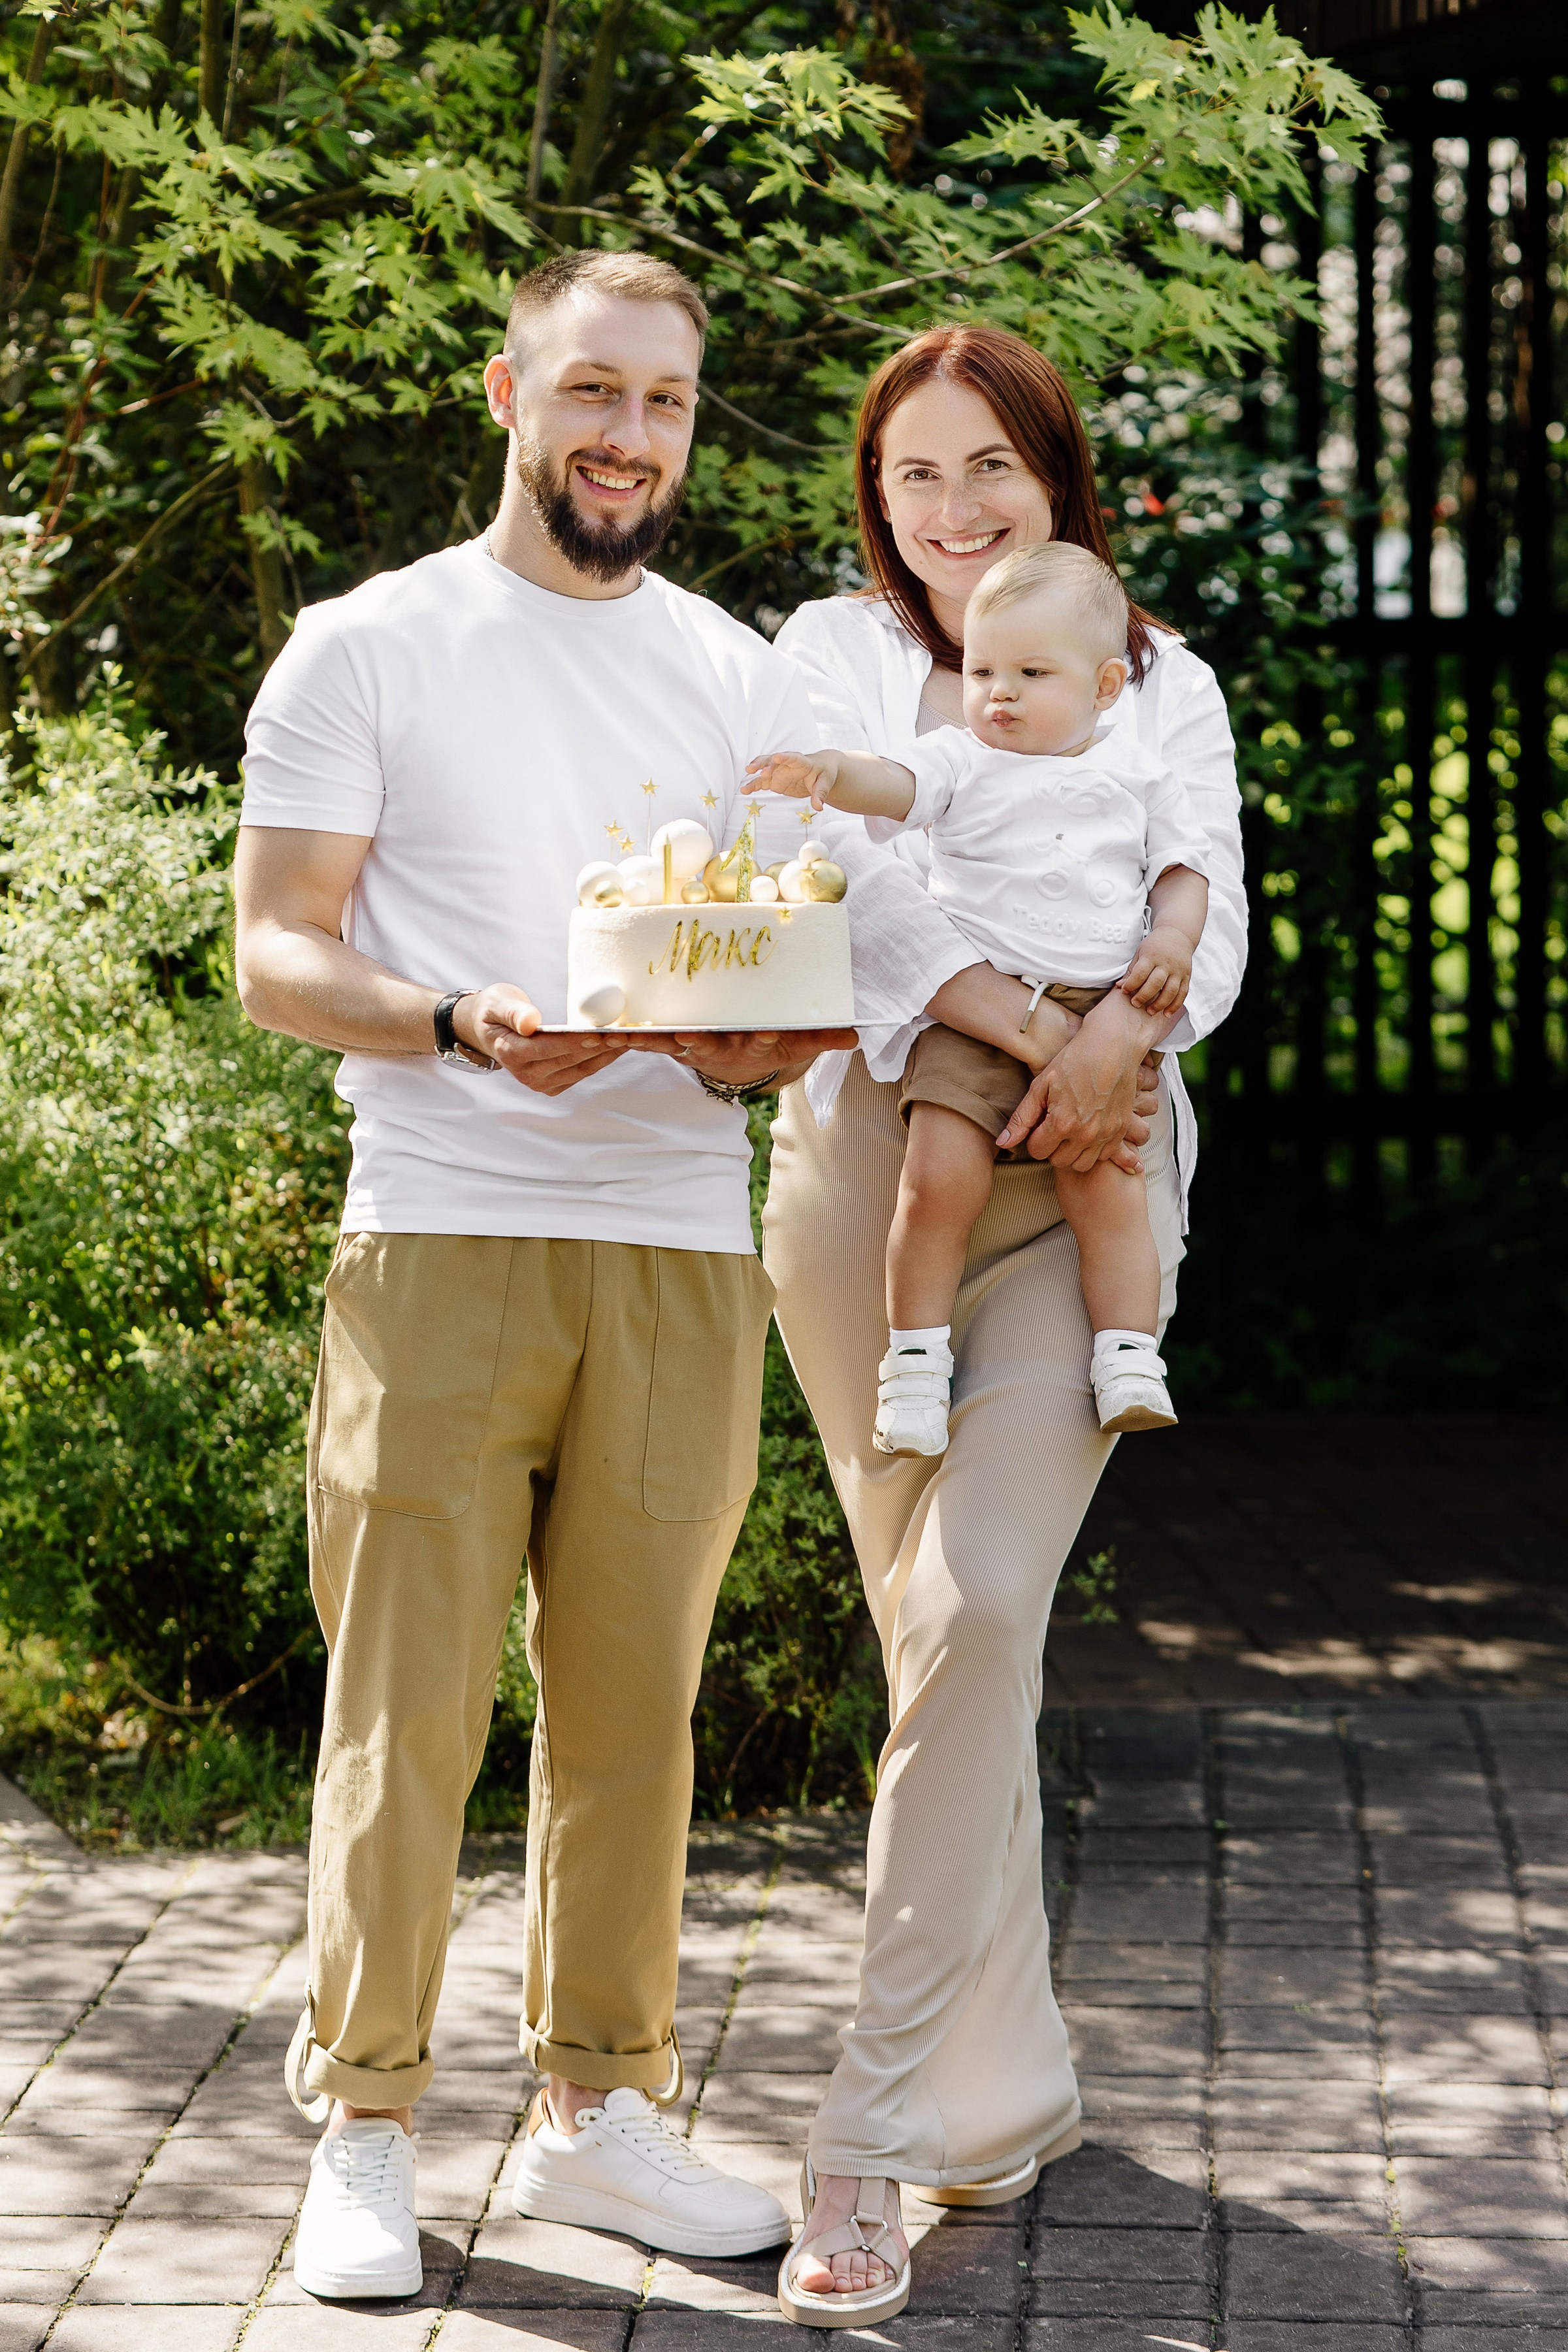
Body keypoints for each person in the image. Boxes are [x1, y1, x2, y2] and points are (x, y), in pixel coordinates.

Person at [232, 246, 853, 2303]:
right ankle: (370, 2126)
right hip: (441, 1227)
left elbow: (783, 948)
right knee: (402, 1707)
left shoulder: (745, 677)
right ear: (511, 390)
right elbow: (277, 950)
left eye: (664, 404)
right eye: (594, 391)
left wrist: (770, 1040)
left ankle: (597, 2114)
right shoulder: (369, 644)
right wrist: (460, 1023)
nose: (626, 436)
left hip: (678, 1242)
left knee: (634, 1715)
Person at [759, 324, 1247, 2325]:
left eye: (990, 472)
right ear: (874, 507)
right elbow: (854, 893)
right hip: (875, 1186)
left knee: (970, 1618)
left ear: (1057, 475)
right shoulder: (834, 656)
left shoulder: (1157, 670)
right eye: (913, 481)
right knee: (944, 1645)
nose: (952, 514)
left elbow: (1212, 913)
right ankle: (1008, 2085)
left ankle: (864, 2138)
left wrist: (1121, 1034)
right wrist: (1052, 1024)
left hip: (1099, 1178)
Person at [746, 541, 1211, 1456]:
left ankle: (1127, 1357)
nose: (998, 692)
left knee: (1106, 1192)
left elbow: (1187, 872)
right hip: (972, 1015)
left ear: (1106, 686)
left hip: (1091, 1005)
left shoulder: (1140, 772)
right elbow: (899, 786)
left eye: (1032, 674)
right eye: (984, 669)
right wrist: (835, 774)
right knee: (935, 1185)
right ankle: (915, 1362)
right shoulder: (963, 758)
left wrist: (1171, 941)